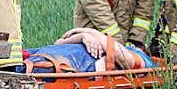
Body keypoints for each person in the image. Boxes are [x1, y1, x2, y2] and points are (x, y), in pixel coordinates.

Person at [21, 27, 154, 74]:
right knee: (19, 57)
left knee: (25, 67)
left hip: (63, 62)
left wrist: (90, 32)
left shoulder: (143, 59)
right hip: (50, 53)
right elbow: (57, 43)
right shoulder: (99, 41)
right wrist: (83, 37)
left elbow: (125, 59)